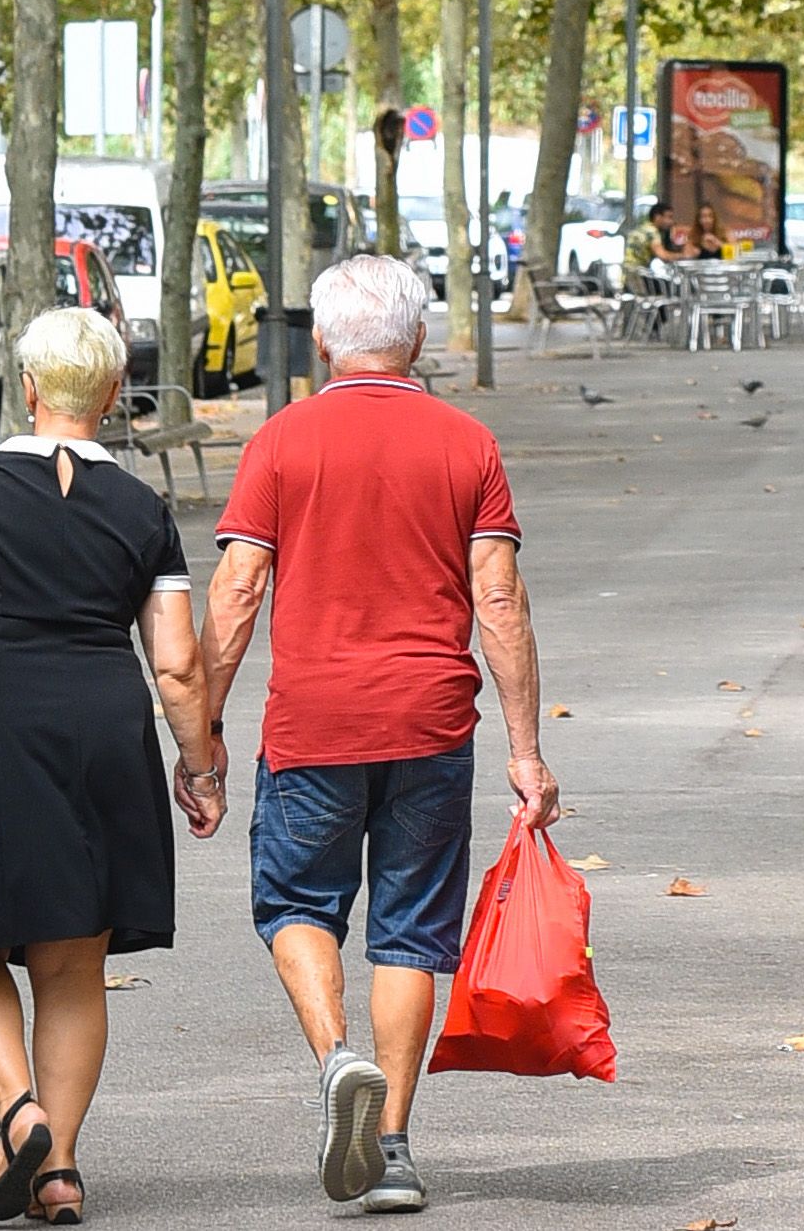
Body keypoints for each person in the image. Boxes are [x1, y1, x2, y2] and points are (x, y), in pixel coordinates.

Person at [196, 254, 558, 1215]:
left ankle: (335, 1059)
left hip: (312, 723)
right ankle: (392, 1148)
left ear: (318, 339)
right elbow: (499, 600)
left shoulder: (280, 441)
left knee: (298, 906)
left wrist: (203, 732)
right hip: (432, 725)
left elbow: (236, 592)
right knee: (409, 933)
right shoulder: (467, 442)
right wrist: (526, 749)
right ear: (419, 339)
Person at [0, 308, 222, 1227]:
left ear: (27, 389)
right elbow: (179, 662)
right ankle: (59, 1170)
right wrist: (200, 765)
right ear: (114, 396)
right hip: (106, 727)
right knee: (74, 961)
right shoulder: (143, 507)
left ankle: (16, 1107)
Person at [624, 198, 675, 284]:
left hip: (628, 276)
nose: (671, 222)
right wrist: (685, 256)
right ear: (657, 217)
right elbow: (663, 256)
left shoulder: (643, 228)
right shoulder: (652, 232)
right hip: (637, 278)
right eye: (669, 217)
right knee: (670, 287)